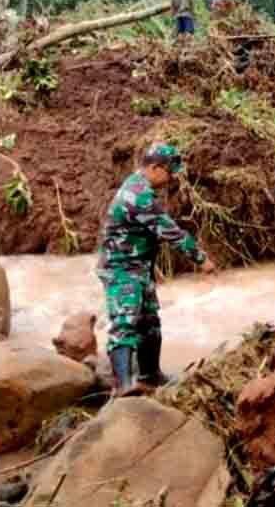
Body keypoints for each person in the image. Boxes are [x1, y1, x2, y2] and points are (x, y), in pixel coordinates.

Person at [97, 144, 216, 395]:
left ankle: (150, 375)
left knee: (150, 321)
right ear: (154, 168)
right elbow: (169, 230)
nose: (171, 178)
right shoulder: (138, 195)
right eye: (169, 172)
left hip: (138, 267)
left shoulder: (140, 186)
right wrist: (200, 258)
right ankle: (123, 386)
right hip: (122, 269)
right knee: (125, 322)